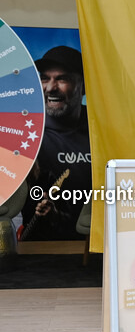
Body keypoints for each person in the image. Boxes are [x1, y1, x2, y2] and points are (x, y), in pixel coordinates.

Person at [21, 46, 91, 241]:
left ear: (83, 87)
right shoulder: (24, 134)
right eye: (44, 78)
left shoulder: (102, 130)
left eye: (62, 79)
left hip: (97, 249)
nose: (50, 87)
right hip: (39, 253)